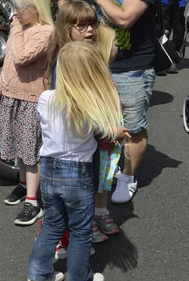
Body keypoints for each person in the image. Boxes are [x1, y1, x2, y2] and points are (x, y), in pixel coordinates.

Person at [27, 42, 126, 281]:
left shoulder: (45, 98)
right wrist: (119, 132)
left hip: (49, 170)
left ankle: (38, 274)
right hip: (78, 174)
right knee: (81, 231)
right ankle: (79, 277)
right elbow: (106, 131)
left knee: (52, 225)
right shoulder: (89, 105)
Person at [92, 0, 160, 204]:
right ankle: (106, 172)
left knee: (133, 128)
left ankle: (128, 176)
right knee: (104, 126)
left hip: (133, 67)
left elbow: (125, 19)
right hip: (102, 66)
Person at [45, 1, 121, 259]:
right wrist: (106, 128)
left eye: (92, 24)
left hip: (86, 142)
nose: (89, 30)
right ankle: (70, 242)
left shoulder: (85, 52)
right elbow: (74, 110)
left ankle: (73, 237)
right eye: (82, 26)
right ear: (66, 28)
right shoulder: (67, 61)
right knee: (73, 201)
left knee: (80, 196)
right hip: (76, 146)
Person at [0, 0, 54, 226]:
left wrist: (15, 30)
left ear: (35, 8)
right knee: (19, 147)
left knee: (30, 152)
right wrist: (0, 87)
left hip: (31, 99)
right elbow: (8, 61)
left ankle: (33, 200)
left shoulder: (45, 31)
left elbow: (21, 57)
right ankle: (22, 185)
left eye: (19, 8)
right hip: (12, 96)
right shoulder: (21, 28)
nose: (15, 13)